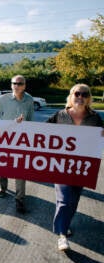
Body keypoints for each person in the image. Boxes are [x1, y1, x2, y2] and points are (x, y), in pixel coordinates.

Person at [47, 83, 103, 251]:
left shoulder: (95, 118)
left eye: (84, 94)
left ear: (89, 98)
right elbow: (39, 131)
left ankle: (66, 224)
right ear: (71, 96)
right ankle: (62, 235)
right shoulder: (60, 115)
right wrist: (20, 125)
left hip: (83, 166)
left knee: (73, 200)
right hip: (61, 165)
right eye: (77, 93)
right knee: (64, 200)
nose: (80, 97)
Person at [0, 75, 34, 213]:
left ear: (24, 85)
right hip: (5, 137)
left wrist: (24, 125)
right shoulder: (3, 99)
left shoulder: (29, 100)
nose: (16, 85)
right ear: (11, 85)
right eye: (14, 83)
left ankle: (20, 198)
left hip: (21, 140)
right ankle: (2, 187)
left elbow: (32, 121)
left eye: (19, 83)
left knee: (20, 168)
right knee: (4, 164)